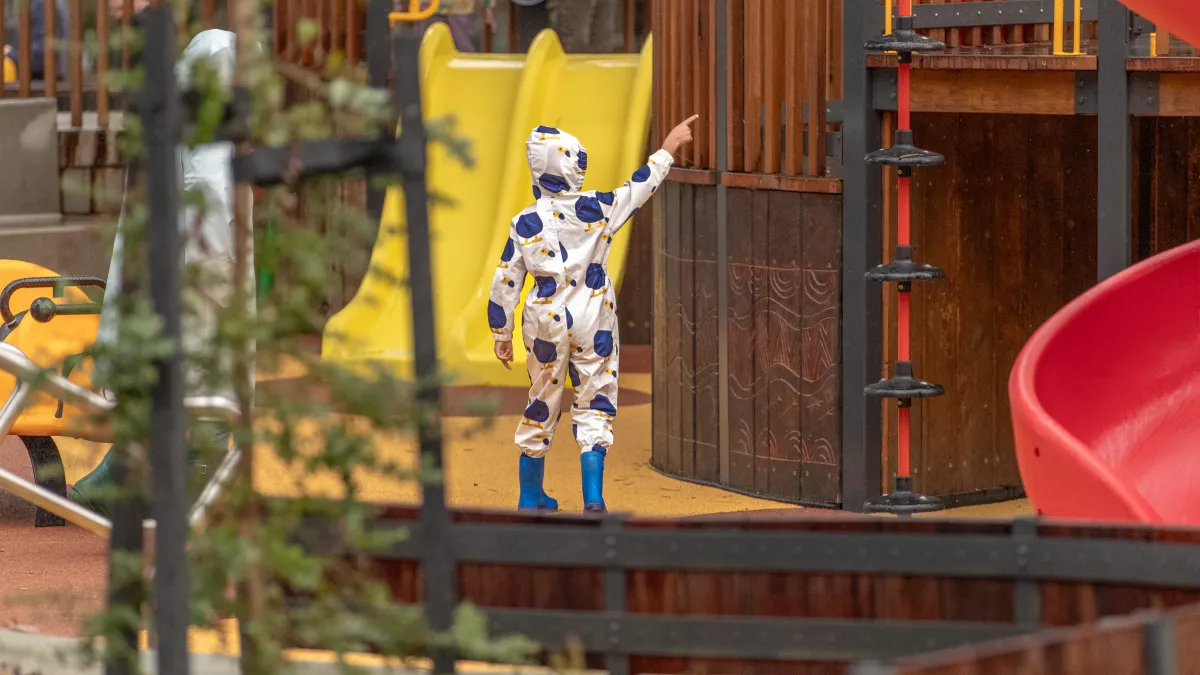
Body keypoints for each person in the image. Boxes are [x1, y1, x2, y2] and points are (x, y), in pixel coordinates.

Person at [72, 28, 254, 513]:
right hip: (199, 271)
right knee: (204, 374)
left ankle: (128, 476)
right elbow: (214, 204)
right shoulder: (209, 129)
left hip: (167, 264)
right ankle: (186, 483)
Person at [488, 114, 698, 513]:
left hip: (545, 324)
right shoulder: (599, 208)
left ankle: (531, 495)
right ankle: (594, 497)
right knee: (595, 395)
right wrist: (668, 146)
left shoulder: (524, 222)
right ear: (573, 168)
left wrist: (501, 334)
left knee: (542, 398)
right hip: (593, 320)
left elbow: (506, 282)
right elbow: (638, 189)